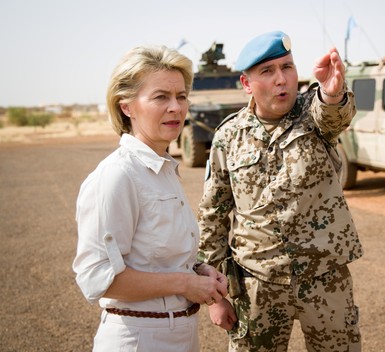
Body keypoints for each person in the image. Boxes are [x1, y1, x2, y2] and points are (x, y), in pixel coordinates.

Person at [197, 30, 364, 351]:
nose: (281, 79)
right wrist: (215, 297)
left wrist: (332, 92)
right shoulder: (228, 136)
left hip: (324, 278)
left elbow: (335, 115)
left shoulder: (313, 115)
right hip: (257, 283)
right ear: (247, 84)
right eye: (267, 71)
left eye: (287, 67)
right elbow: (212, 217)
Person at [72, 45, 228, 352]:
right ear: (127, 106)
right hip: (139, 338)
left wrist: (196, 271)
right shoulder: (117, 175)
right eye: (161, 97)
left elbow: (154, 257)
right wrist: (185, 284)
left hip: (180, 333)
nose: (176, 107)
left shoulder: (163, 169)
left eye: (181, 96)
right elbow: (95, 278)